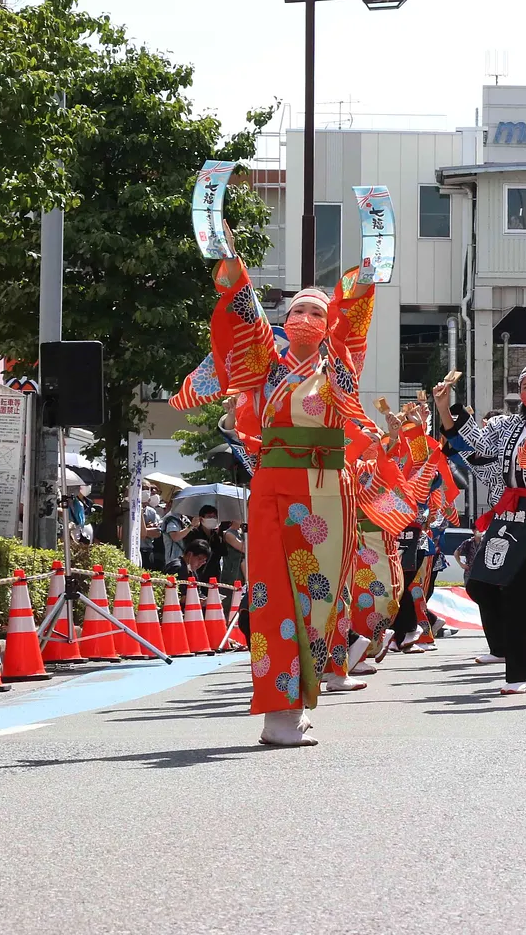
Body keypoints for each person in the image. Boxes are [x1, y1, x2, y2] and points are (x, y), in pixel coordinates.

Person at [169, 218, 380, 746]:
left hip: (330, 490)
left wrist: (374, 259)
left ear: (329, 319)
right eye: (297, 310)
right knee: (272, 595)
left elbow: (355, 316)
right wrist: (230, 255)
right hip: (274, 483)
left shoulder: (341, 361)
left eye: (317, 310)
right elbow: (243, 309)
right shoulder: (265, 362)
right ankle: (277, 714)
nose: (306, 317)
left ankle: (298, 699)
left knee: (319, 597)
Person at [437, 363, 526, 695]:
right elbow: (474, 448)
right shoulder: (504, 425)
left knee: (515, 593)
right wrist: (443, 408)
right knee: (481, 584)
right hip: (510, 513)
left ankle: (517, 676)